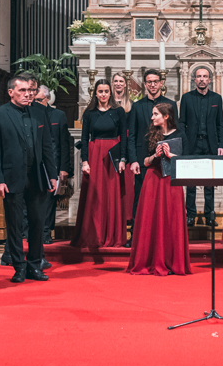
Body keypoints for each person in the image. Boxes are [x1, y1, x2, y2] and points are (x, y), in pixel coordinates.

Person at [0, 72, 59, 283]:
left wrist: (52, 175)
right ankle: (19, 266)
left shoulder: (39, 112)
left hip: (36, 176)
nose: (28, 94)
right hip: (11, 177)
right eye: (23, 90)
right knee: (15, 224)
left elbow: (47, 146)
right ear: (11, 92)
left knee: (37, 223)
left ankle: (35, 265)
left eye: (31, 90)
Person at [128, 102, 190, 276]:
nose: (152, 117)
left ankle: (172, 261)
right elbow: (145, 162)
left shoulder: (180, 135)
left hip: (171, 181)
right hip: (153, 180)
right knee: (151, 219)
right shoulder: (151, 135)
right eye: (152, 114)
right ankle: (150, 260)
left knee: (171, 219)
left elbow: (186, 160)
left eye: (156, 114)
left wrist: (171, 155)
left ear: (166, 116)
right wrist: (155, 155)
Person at [71, 79, 127, 249]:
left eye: (106, 91)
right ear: (95, 93)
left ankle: (112, 235)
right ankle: (93, 235)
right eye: (100, 91)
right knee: (94, 195)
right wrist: (85, 161)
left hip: (112, 155)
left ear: (111, 93)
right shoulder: (89, 113)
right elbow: (85, 138)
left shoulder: (119, 111)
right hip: (95, 154)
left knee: (111, 194)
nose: (103, 95)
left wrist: (123, 159)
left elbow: (124, 136)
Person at [178, 66, 223, 227]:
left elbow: (220, 124)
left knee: (209, 182)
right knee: (191, 182)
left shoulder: (216, 99)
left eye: (205, 76)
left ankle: (209, 214)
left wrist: (221, 145)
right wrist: (184, 145)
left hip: (210, 144)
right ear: (194, 79)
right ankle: (190, 215)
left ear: (210, 80)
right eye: (199, 76)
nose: (202, 79)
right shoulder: (186, 98)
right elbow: (182, 123)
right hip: (192, 143)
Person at [128, 69, 174, 212]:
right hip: (142, 157)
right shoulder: (137, 106)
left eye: (155, 82)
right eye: (149, 82)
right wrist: (134, 160)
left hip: (165, 157)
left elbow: (175, 132)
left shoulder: (170, 105)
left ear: (161, 83)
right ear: (145, 84)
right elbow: (132, 136)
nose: (152, 85)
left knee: (163, 197)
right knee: (140, 196)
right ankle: (136, 230)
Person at [36, 85, 73, 248]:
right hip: (35, 164)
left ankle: (45, 232)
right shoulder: (29, 114)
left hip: (54, 163)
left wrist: (64, 168)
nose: (35, 103)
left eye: (38, 100)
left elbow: (65, 144)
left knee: (50, 200)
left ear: (47, 99)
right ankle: (32, 231)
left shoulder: (58, 115)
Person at [112, 71, 137, 237]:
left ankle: (127, 215)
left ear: (125, 84)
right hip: (112, 143)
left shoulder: (131, 104)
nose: (119, 84)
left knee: (127, 183)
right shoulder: (107, 102)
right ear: (112, 83)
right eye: (116, 81)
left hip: (126, 144)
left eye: (121, 81)